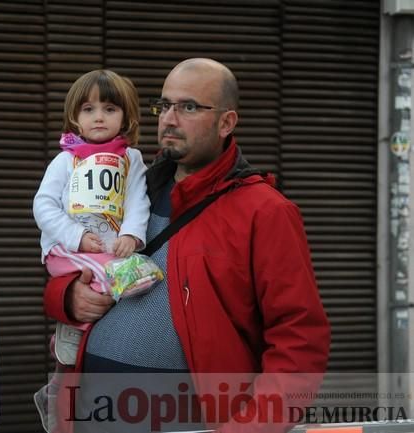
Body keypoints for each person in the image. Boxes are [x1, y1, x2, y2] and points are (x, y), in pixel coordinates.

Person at [43, 58, 331, 433]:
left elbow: (300, 338)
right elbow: (77, 260)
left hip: (189, 418)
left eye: (189, 107)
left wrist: (250, 428)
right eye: (164, 105)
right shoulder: (132, 189)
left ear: (227, 123)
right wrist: (66, 296)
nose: (169, 118)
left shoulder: (265, 211)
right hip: (93, 412)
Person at [32, 70, 150, 430]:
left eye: (109, 108)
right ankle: (68, 341)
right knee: (104, 280)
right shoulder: (66, 159)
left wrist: (132, 235)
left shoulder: (131, 159)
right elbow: (43, 204)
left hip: (109, 251)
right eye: (88, 109)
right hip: (68, 252)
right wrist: (75, 236)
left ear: (126, 117)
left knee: (134, 272)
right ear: (74, 118)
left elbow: (137, 202)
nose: (98, 116)